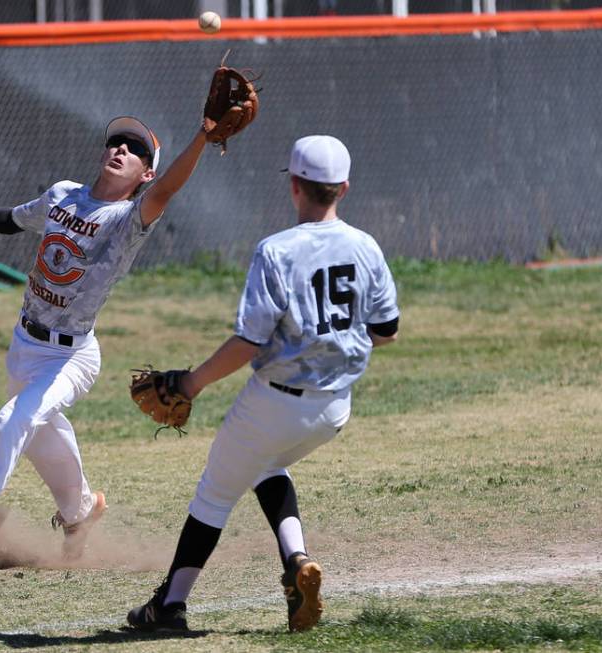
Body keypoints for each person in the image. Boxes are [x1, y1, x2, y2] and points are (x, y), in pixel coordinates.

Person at [0, 115, 218, 570]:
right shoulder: (62, 195)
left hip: (70, 354)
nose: (121, 151)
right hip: (24, 343)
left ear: (146, 174)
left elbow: (168, 190)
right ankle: (81, 512)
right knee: (39, 434)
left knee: (9, 421)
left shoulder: (128, 219)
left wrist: (204, 137)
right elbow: (8, 220)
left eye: (136, 151)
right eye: (116, 143)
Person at [126, 135, 400, 632]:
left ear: (295, 187)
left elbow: (248, 344)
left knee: (214, 495)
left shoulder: (276, 251)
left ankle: (169, 606)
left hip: (275, 402)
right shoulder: (367, 247)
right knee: (266, 465)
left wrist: (190, 383)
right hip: (335, 407)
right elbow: (386, 332)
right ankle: (297, 561)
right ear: (343, 188)